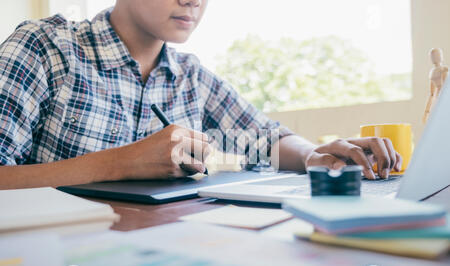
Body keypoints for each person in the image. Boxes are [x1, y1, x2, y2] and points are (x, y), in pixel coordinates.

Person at [0, 0, 401, 190]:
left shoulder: (190, 75)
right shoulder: (45, 47)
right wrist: (123, 162)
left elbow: (265, 138)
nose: (193, 0)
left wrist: (314, 154)